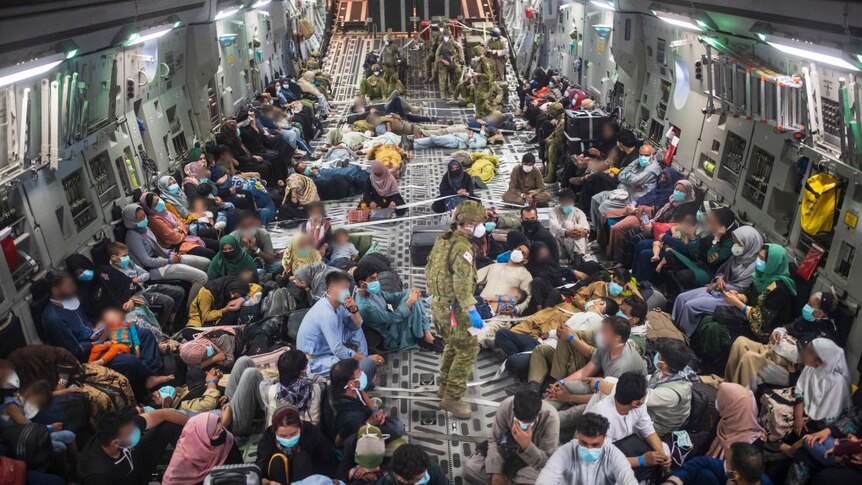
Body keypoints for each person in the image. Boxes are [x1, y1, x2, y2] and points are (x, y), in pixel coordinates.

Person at [690, 243, 797, 369]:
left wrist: (737, 303)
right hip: (747, 320)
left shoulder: (780, 289)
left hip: (761, 332)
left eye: (763, 259)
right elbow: (749, 295)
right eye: (759, 256)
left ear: (773, 263)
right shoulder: (760, 277)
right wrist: (739, 296)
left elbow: (762, 322)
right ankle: (697, 358)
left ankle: (712, 367)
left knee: (714, 329)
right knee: (707, 320)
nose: (759, 261)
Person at [426, 200, 486, 419]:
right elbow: (462, 284)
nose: (481, 227)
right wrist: (472, 310)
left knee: (452, 345)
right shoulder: (462, 249)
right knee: (468, 348)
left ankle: (443, 386)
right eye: (479, 222)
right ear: (468, 223)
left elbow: (429, 268)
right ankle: (452, 397)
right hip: (455, 310)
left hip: (439, 306)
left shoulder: (443, 240)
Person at [725, 290, 839, 389]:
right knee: (740, 342)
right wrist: (778, 332)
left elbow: (798, 356)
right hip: (776, 351)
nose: (806, 306)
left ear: (819, 314)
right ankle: (729, 384)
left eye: (810, 304)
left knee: (750, 358)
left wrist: (779, 342)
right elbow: (786, 328)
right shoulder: (807, 319)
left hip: (791, 371)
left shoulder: (823, 336)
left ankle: (740, 399)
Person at [672, 225, 763, 336]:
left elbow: (741, 289)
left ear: (749, 245)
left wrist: (716, 286)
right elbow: (722, 271)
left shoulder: (754, 267)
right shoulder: (736, 257)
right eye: (735, 242)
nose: (736, 246)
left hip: (731, 297)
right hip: (717, 288)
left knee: (690, 306)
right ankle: (672, 327)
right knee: (681, 297)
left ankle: (682, 337)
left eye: (739, 243)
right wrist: (719, 278)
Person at [296, 272, 384, 379]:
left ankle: (363, 363)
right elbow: (338, 350)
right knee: (341, 366)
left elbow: (357, 325)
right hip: (314, 359)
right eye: (343, 288)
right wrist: (366, 358)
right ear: (331, 289)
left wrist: (354, 309)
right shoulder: (327, 314)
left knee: (356, 330)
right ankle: (363, 365)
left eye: (347, 288)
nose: (346, 292)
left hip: (327, 346)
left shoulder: (337, 306)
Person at [585, 373, 671, 481]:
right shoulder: (599, 418)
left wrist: (662, 456)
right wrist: (641, 460)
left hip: (627, 447)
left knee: (664, 448)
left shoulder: (638, 405)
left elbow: (648, 430)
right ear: (635, 403)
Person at [464, 390, 560, 484]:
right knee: (471, 468)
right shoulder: (507, 405)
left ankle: (508, 480)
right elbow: (494, 440)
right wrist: (496, 473)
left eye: (528, 423)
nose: (523, 426)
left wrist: (527, 446)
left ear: (538, 413)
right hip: (505, 448)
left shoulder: (551, 419)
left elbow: (546, 461)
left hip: (529, 461)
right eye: (519, 422)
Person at [548, 317, 648, 407]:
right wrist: (561, 382)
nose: (599, 334)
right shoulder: (607, 346)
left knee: (573, 412)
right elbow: (586, 371)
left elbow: (605, 397)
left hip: (620, 400)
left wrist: (569, 398)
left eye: (604, 331)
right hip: (599, 386)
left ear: (617, 337)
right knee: (563, 387)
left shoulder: (621, 366)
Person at [525, 298, 620, 390]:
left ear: (601, 303)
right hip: (556, 348)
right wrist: (554, 332)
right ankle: (533, 387)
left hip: (574, 359)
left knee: (517, 362)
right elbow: (567, 330)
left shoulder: (598, 322)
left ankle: (555, 384)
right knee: (541, 349)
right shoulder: (580, 315)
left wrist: (566, 335)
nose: (590, 302)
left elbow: (577, 337)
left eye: (595, 300)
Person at [121, 203, 210, 302]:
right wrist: (168, 261)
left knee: (206, 263)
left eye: (144, 216)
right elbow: (146, 261)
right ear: (131, 221)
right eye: (140, 218)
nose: (144, 219)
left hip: (162, 259)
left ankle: (204, 296)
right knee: (202, 277)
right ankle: (191, 309)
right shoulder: (132, 236)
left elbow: (158, 248)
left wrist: (171, 254)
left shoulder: (145, 229)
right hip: (153, 269)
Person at [77, 406, 187, 484]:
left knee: (168, 427)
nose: (136, 432)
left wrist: (197, 426)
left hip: (136, 462)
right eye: (131, 432)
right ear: (116, 443)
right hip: (127, 477)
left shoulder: (122, 428)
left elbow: (164, 414)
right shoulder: (99, 475)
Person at [353, 264, 436, 351]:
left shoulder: (371, 291)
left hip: (393, 322)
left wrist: (411, 292)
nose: (376, 281)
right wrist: (410, 301)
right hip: (391, 335)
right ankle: (421, 334)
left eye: (376, 278)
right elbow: (392, 318)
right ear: (362, 284)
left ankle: (425, 332)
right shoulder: (365, 307)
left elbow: (392, 297)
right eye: (372, 279)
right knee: (413, 302)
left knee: (411, 296)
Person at [537, 412, 637, 484]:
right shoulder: (565, 452)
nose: (589, 449)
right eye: (584, 443)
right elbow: (546, 478)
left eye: (595, 445)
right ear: (578, 436)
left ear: (605, 438)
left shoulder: (614, 455)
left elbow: (628, 479)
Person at [107, 241, 184, 329]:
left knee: (179, 291)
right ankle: (160, 328)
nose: (127, 258)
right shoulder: (112, 273)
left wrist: (137, 279)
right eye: (124, 256)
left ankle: (171, 320)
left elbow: (146, 274)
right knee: (168, 301)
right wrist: (135, 282)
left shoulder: (128, 263)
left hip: (145, 286)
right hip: (138, 294)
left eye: (127, 255)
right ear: (114, 258)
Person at [255, 403, 338, 485]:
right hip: (277, 479)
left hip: (307, 476)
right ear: (274, 431)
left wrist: (330, 479)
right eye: (282, 436)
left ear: (300, 427)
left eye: (293, 434)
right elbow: (261, 463)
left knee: (301, 458)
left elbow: (327, 459)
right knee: (278, 460)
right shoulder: (268, 437)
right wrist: (265, 481)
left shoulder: (311, 432)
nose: (288, 439)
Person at [329, 358, 403, 447]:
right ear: (351, 384)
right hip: (359, 426)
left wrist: (374, 409)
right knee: (398, 428)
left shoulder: (336, 387)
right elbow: (338, 443)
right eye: (359, 372)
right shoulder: (352, 418)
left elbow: (361, 391)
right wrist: (368, 423)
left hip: (360, 417)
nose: (363, 374)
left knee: (368, 363)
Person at [662, 206, 737, 291]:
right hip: (699, 264)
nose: (709, 225)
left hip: (710, 273)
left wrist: (716, 240)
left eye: (712, 223)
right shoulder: (711, 232)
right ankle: (685, 281)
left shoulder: (730, 241)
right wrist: (693, 238)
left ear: (722, 227)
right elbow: (694, 252)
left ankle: (686, 284)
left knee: (683, 275)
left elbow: (711, 259)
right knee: (669, 255)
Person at [1, 379, 77, 459]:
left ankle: (76, 463)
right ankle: (62, 469)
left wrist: (68, 390)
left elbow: (51, 394)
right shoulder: (11, 405)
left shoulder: (21, 398)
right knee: (60, 447)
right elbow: (28, 427)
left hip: (30, 434)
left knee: (70, 435)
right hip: (19, 440)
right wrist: (50, 428)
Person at [162, 412, 243, 484]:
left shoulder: (227, 439)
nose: (221, 430)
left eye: (219, 423)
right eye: (215, 432)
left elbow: (241, 470)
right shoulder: (179, 465)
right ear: (202, 439)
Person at [590, 144, 661, 224]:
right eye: (641, 155)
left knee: (604, 206)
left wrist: (629, 177)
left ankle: (601, 233)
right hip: (624, 191)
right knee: (595, 199)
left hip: (633, 199)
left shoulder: (653, 169)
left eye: (646, 155)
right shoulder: (638, 161)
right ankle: (595, 227)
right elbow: (621, 175)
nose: (643, 157)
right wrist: (632, 181)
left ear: (653, 155)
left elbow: (634, 180)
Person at [644, 339, 698, 436]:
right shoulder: (671, 370)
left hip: (658, 428)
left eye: (659, 356)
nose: (657, 357)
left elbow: (640, 397)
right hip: (652, 411)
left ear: (664, 365)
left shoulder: (672, 393)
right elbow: (652, 379)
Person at [139, 192, 217, 259]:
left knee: (216, 244)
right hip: (177, 246)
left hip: (185, 238)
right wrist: (182, 230)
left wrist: (179, 229)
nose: (159, 202)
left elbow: (181, 223)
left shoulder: (165, 211)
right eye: (156, 204)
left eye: (158, 199)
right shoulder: (154, 220)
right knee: (210, 253)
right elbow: (173, 238)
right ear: (150, 209)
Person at [662, 442, 773, 485]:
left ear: (737, 474)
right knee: (705, 474)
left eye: (728, 462)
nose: (724, 463)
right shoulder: (750, 474)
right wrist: (674, 480)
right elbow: (702, 463)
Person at [264, 350, 326, 425]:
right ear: (303, 371)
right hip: (309, 432)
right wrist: (304, 376)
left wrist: (283, 377)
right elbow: (321, 379)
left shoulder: (270, 390)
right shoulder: (316, 387)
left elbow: (265, 382)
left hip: (278, 433)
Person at [707, 383, 764, 458]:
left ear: (731, 407)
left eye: (720, 399)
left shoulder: (752, 446)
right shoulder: (725, 421)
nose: (717, 401)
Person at [187, 274, 262, 327]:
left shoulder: (239, 285)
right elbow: (205, 317)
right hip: (199, 319)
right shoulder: (207, 292)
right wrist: (224, 310)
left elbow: (257, 287)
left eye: (236, 296)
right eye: (232, 293)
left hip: (218, 316)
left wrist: (242, 299)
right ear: (228, 288)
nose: (232, 296)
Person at [549, 188, 591, 262]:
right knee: (568, 225)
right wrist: (566, 232)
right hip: (561, 243)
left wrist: (581, 231)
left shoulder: (578, 212)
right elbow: (554, 227)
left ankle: (578, 256)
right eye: (565, 202)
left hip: (577, 240)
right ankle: (578, 257)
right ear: (560, 202)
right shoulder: (554, 212)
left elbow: (586, 227)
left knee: (577, 228)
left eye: (569, 202)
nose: (567, 205)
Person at [377, 443, 450, 485]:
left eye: (425, 471)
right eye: (419, 479)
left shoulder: (430, 466)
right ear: (400, 478)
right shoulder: (385, 483)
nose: (426, 476)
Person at [436, 28, 464, 97]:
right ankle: (442, 93)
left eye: (447, 36)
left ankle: (452, 87)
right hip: (443, 63)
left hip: (452, 61)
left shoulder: (453, 42)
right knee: (442, 78)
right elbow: (437, 55)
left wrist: (460, 59)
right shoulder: (441, 45)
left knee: (458, 71)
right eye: (445, 36)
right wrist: (442, 61)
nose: (446, 37)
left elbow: (459, 49)